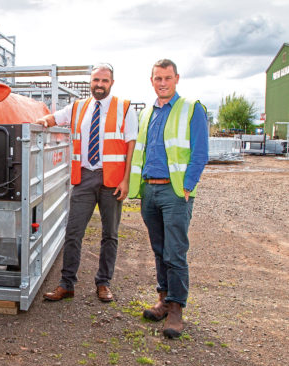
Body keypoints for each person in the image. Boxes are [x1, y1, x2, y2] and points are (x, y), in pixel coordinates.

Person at [36, 63, 138, 303]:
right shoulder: (78, 107)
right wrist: (41, 121)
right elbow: (54, 118)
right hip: (84, 177)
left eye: (104, 81)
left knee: (110, 234)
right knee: (73, 232)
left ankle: (103, 283)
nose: (99, 85)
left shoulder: (124, 108)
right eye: (95, 81)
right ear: (90, 82)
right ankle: (66, 284)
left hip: (112, 179)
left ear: (111, 83)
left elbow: (131, 144)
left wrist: (126, 180)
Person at [128, 59, 208, 338]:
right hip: (149, 191)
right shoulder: (148, 112)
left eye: (167, 78)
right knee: (159, 250)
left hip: (175, 193)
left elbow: (200, 152)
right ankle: (163, 299)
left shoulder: (191, 108)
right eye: (158, 78)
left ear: (176, 79)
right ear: (152, 81)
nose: (163, 83)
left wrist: (187, 185)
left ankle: (176, 309)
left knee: (175, 252)